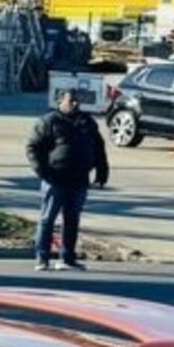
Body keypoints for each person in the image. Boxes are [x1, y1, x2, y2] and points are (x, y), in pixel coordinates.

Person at [25, 86, 111, 271]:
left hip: (79, 179)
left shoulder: (87, 122)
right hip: (55, 179)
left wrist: (102, 171)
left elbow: (99, 148)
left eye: (77, 100)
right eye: (70, 100)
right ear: (60, 101)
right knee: (47, 219)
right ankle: (42, 257)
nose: (75, 104)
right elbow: (33, 148)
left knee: (72, 219)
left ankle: (67, 258)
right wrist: (44, 172)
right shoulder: (49, 122)